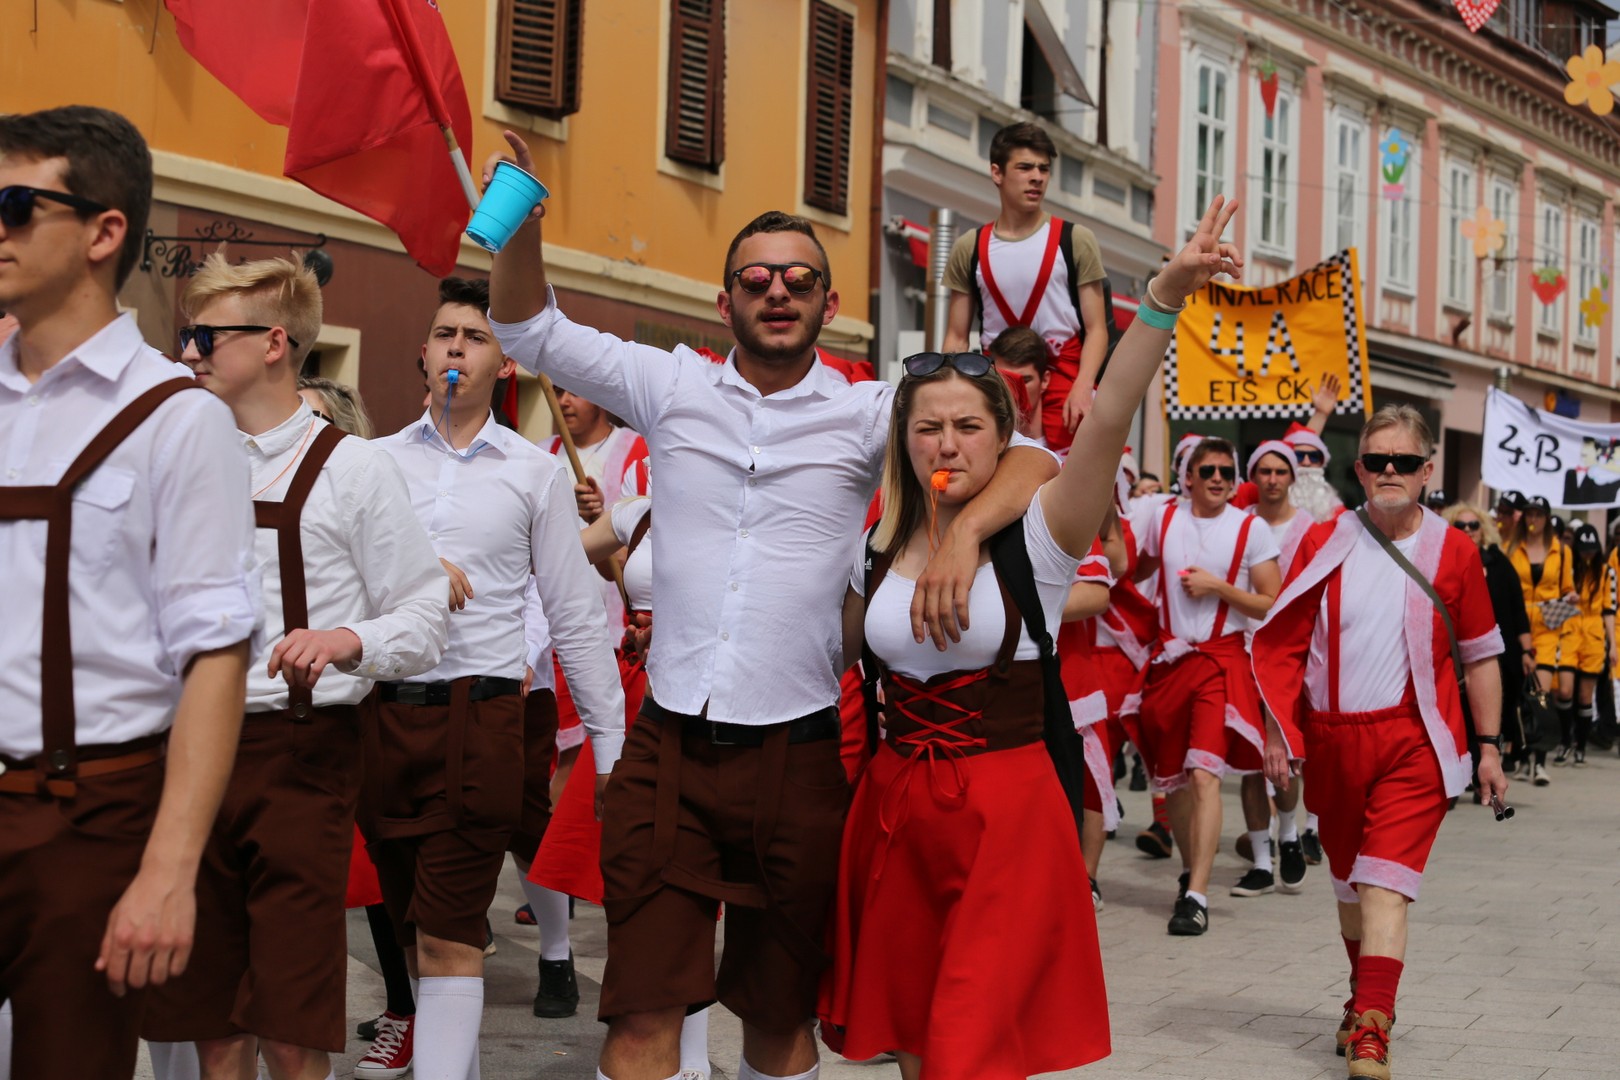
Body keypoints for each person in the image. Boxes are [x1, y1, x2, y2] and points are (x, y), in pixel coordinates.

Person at [484, 124, 1060, 1080]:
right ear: (725, 300)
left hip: (798, 754)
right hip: (670, 744)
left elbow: (1031, 452)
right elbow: (527, 329)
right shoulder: (666, 382)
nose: (777, 291)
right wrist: (517, 214)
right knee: (636, 1018)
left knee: (779, 1022)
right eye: (756, 279)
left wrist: (962, 530)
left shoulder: (872, 410)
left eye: (797, 279)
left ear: (830, 306)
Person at [824, 195, 1243, 1080]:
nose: (948, 441)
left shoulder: (1042, 536)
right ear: (902, 439)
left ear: (1000, 436)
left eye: (969, 425)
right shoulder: (876, 540)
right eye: (928, 425)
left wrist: (1163, 295)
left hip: (1006, 815)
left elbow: (1110, 412)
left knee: (971, 1051)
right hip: (893, 813)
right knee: (914, 1042)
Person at [142, 253, 451, 1080]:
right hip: (181, 754)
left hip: (300, 754)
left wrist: (349, 639)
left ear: (274, 342)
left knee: (291, 1020)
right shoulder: (173, 460)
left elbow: (425, 617)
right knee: (208, 1018)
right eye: (186, 333)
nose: (190, 352)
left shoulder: (352, 468)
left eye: (207, 335)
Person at [0, 104, 260, 1080]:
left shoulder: (176, 422)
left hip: (88, 819)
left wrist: (167, 871)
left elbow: (215, 656)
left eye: (16, 203)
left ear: (106, 231)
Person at [369, 276, 625, 1079]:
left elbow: (577, 613)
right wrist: (413, 569)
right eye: (445, 333)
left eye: (474, 337)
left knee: (449, 929)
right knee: (416, 930)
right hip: (380, 716)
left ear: (503, 364)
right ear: (422, 352)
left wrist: (611, 745)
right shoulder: (367, 465)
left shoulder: (532, 472)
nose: (456, 347)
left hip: (480, 715)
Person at [1255, 405, 1507, 1080]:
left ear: (1428, 470)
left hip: (1413, 740)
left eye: (1402, 462)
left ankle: (1373, 1027)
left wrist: (1488, 746)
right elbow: (1284, 638)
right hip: (1332, 740)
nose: (1388, 473)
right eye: (1375, 462)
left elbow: (1481, 657)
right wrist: (1280, 729)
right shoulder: (1325, 540)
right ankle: (1362, 995)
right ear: (1359, 469)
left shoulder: (1455, 552)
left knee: (1383, 884)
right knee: (1347, 884)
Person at [1130, 436, 1281, 934]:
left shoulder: (1250, 528)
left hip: (1220, 662)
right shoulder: (1163, 519)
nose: (1218, 478)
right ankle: (1188, 874)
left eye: (1225, 470)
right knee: (1170, 778)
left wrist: (1218, 587)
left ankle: (1197, 894)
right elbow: (1132, 569)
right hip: (1170, 663)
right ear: (1188, 477)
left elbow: (1270, 600)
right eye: (1208, 469)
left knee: (1204, 775)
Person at [942, 122, 1110, 450]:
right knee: (989, 468)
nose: (1037, 176)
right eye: (1025, 167)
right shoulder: (971, 246)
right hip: (997, 374)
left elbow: (1097, 329)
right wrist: (952, 389)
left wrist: (1083, 386)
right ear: (997, 173)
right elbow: (957, 335)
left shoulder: (1074, 239)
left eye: (1044, 168)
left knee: (1074, 478)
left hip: (1064, 375)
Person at [1233, 439, 1313, 896]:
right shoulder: (1241, 525)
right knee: (1248, 761)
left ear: (1292, 478)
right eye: (1263, 471)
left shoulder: (1310, 530)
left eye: (1280, 471)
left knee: (1285, 762)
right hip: (1244, 650)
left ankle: (1288, 832)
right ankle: (1262, 862)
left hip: (1289, 657)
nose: (1272, 479)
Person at [1442, 504, 1532, 790]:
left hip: (1500, 653)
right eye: (1461, 526)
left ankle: (1489, 764)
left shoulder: (1499, 562)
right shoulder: (1443, 559)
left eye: (1473, 526)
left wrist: (1528, 651)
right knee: (1460, 712)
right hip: (1454, 652)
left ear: (1484, 530)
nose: (1468, 531)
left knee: (1492, 712)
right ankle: (1462, 771)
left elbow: (1518, 609)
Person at [1502, 494, 1571, 786]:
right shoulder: (1510, 548)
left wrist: (1571, 598)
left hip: (1547, 629)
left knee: (1541, 692)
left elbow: (1568, 588)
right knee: (1517, 694)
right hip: (1517, 630)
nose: (1533, 520)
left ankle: (1540, 762)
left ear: (1547, 518)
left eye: (1538, 515)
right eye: (1529, 515)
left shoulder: (1561, 551)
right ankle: (1521, 752)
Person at [1553, 523, 1611, 766]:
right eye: (1584, 549)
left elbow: (1609, 608)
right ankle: (1566, 739)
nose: (1588, 555)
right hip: (1569, 632)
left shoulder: (1606, 571)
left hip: (1594, 636)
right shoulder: (1567, 568)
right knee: (1564, 690)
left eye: (1592, 550)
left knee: (1586, 696)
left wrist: (1613, 646)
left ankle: (1580, 745)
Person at [986, 325, 1050, 443]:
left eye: (1024, 380)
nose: (1014, 389)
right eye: (1006, 379)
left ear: (1045, 381)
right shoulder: (982, 442)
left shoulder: (1074, 439)